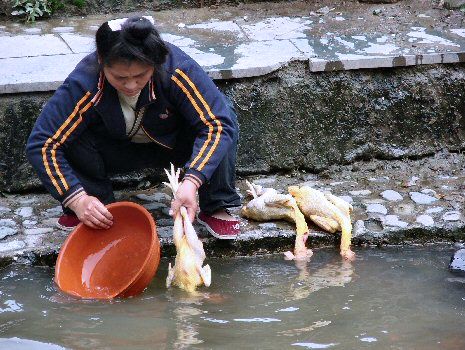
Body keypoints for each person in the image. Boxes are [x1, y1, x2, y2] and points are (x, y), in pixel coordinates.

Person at [26, 15, 241, 239]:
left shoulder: (176, 69)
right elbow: (43, 143)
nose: (130, 85)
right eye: (119, 77)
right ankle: (95, 207)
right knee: (69, 134)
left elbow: (217, 124)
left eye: (141, 76)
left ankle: (217, 203)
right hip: (113, 149)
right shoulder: (84, 82)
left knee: (224, 113)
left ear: (156, 63)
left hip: (176, 145)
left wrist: (192, 181)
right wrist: (77, 199)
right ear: (101, 60)